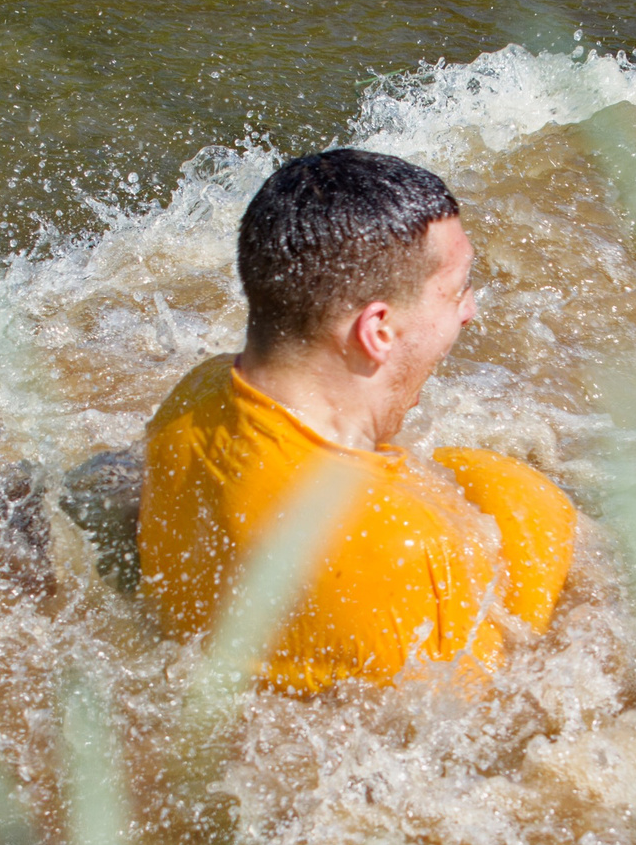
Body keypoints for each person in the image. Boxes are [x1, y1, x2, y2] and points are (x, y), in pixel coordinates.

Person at [138, 149, 576, 693]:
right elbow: (488, 710)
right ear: (378, 330)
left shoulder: (195, 398)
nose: (470, 309)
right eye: (457, 288)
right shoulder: (411, 544)